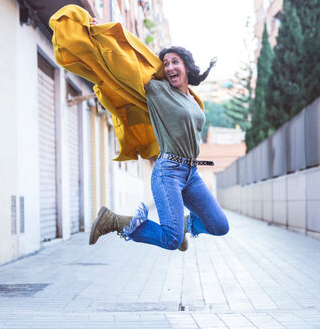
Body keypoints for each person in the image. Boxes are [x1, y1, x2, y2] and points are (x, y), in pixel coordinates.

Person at [88, 45, 230, 251]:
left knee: (219, 225)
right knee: (171, 239)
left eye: (175, 62)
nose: (170, 67)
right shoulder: (157, 90)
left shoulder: (193, 100)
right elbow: (125, 66)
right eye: (165, 64)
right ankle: (112, 221)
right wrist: (100, 38)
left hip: (191, 173)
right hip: (168, 172)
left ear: (187, 67)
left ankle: (183, 226)